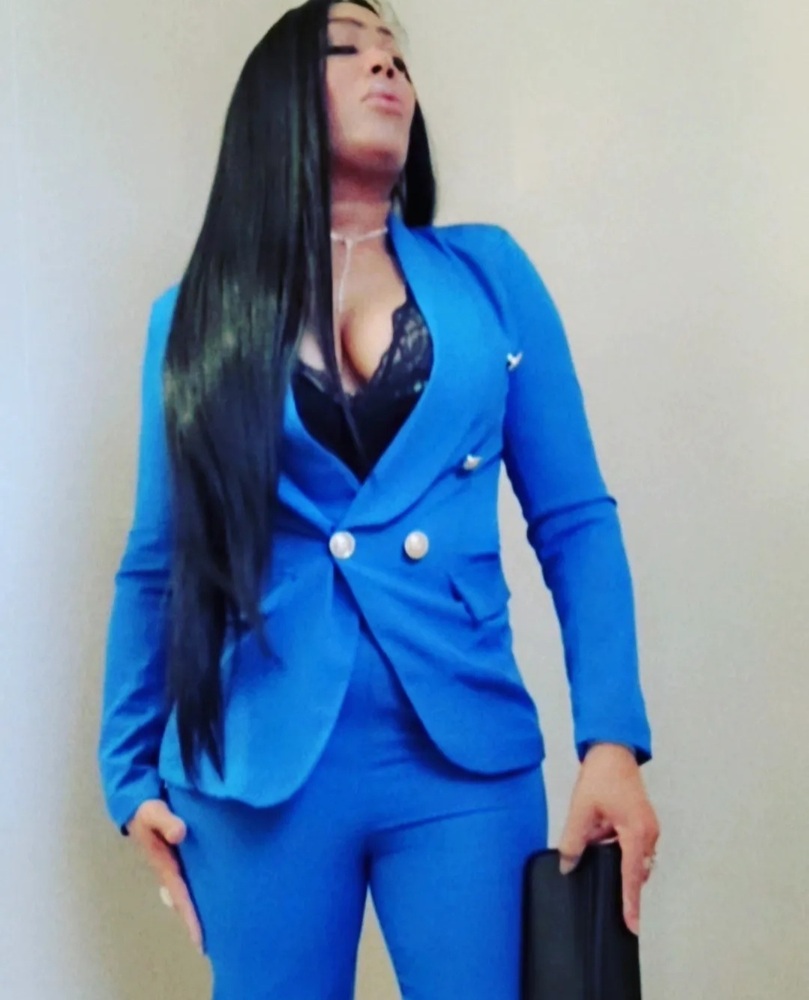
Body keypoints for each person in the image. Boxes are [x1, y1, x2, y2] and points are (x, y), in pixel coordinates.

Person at [97, 1, 660, 997]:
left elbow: (574, 521)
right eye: (347, 49)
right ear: (275, 102)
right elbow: (159, 560)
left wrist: (608, 738)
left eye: (395, 53)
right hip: (254, 762)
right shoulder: (193, 317)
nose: (385, 66)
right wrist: (127, 771)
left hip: (461, 754)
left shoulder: (491, 277)